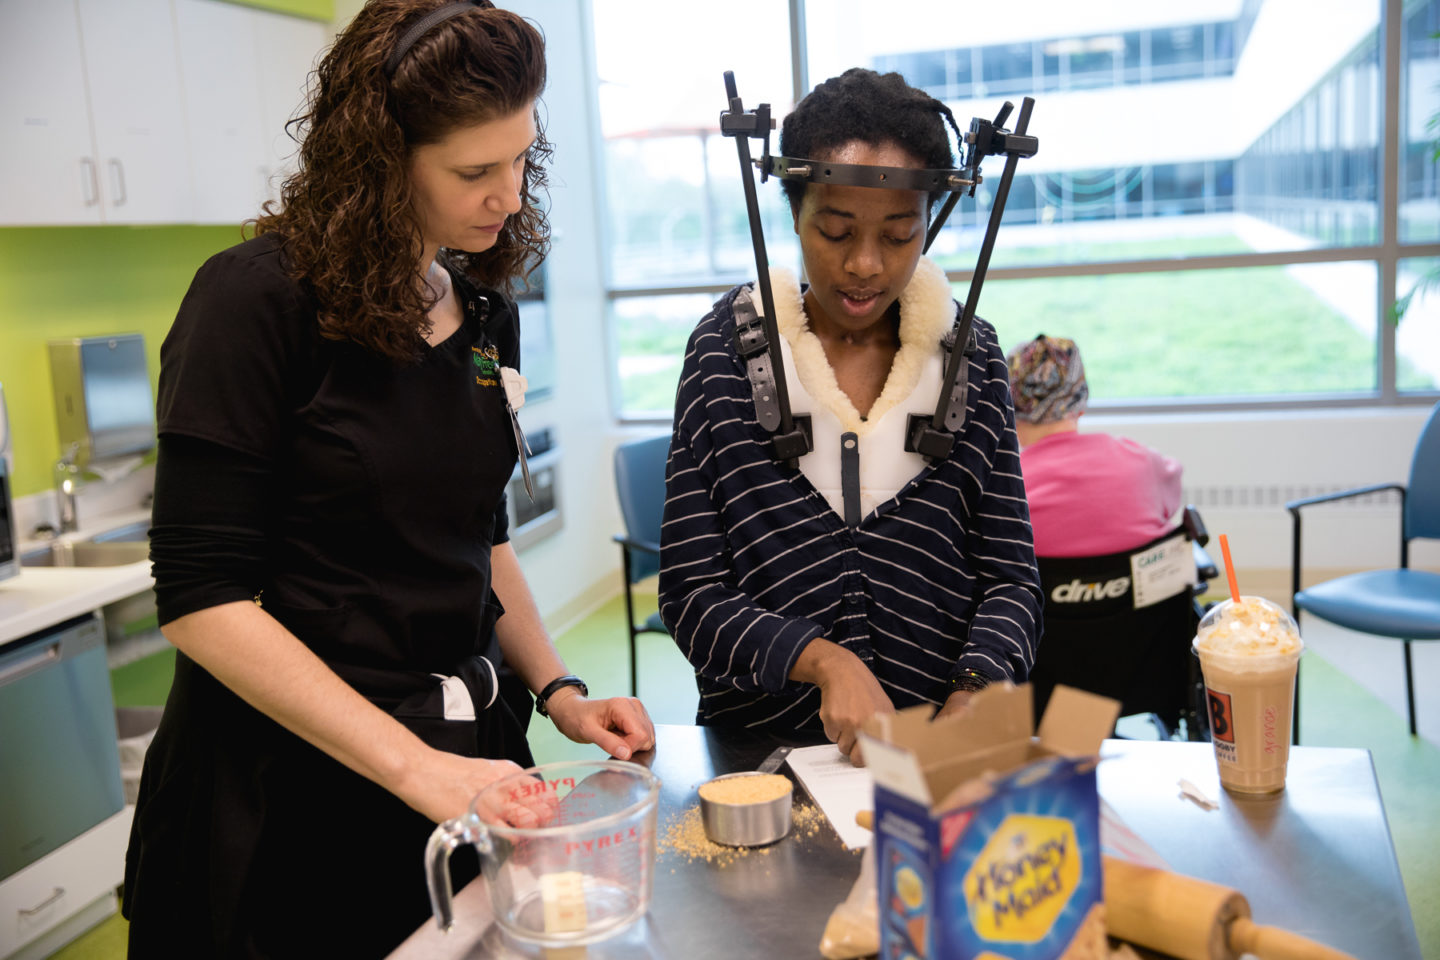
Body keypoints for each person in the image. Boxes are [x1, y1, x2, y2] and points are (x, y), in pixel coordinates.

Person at [123, 3, 653, 956]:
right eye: (474, 172)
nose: (511, 195)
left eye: (522, 160)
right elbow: (202, 600)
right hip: (298, 794)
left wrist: (560, 686)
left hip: (469, 769)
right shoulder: (255, 302)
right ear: (379, 162)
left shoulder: (484, 315)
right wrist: (417, 772)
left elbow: (477, 538)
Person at [659, 69, 1042, 760]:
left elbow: (1011, 581)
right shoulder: (724, 353)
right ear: (794, 213)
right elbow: (690, 595)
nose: (865, 265)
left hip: (932, 761)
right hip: (757, 756)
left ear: (930, 220)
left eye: (899, 236)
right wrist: (821, 660)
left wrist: (976, 691)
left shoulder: (971, 357)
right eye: (835, 231)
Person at [1006, 334, 1183, 557]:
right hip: (1141, 590)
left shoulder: (1008, 483)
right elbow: (1171, 498)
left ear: (1008, 405)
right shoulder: (1141, 461)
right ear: (1080, 400)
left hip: (1046, 590)